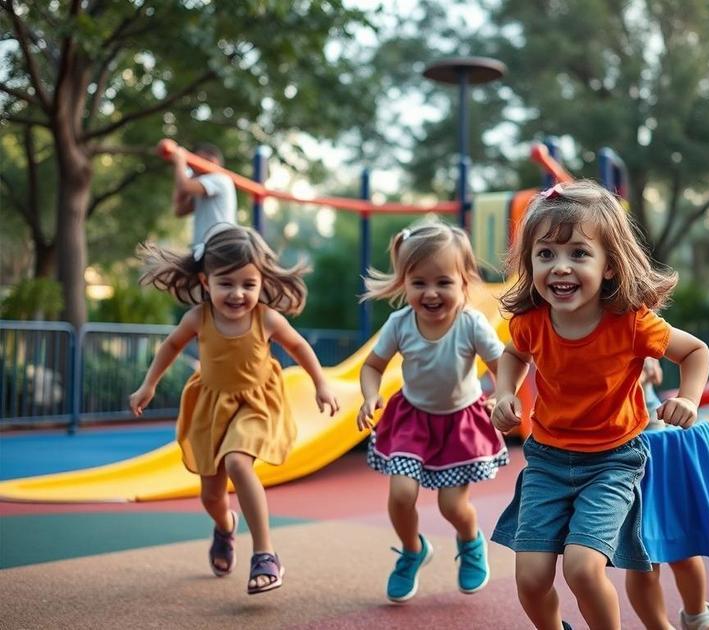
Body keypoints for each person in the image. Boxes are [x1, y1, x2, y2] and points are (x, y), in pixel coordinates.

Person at [490, 180, 709, 630]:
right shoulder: (532, 323)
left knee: (582, 568)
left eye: (578, 253)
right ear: (529, 262)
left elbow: (695, 351)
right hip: (547, 461)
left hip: (613, 462)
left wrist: (688, 397)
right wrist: (505, 391)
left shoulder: (631, 324)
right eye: (545, 254)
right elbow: (512, 355)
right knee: (530, 577)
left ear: (610, 266)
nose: (560, 267)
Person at [128, 224, 339, 595]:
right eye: (227, 283)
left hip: (257, 402)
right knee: (210, 496)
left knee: (239, 463)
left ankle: (265, 554)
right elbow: (171, 346)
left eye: (248, 283)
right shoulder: (198, 317)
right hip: (212, 405)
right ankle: (226, 526)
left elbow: (299, 347)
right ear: (206, 281)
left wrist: (321, 383)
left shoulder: (267, 318)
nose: (238, 293)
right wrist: (149, 384)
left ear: (261, 282)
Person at [356, 218, 508, 603]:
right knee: (402, 494)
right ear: (404, 282)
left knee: (452, 505)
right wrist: (370, 396)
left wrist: (501, 395)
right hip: (413, 419)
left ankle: (470, 541)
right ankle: (412, 549)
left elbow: (504, 363)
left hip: (460, 422)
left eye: (443, 282)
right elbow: (372, 365)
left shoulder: (471, 324)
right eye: (419, 282)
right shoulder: (399, 324)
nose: (431, 292)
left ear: (464, 283)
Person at [624, 359, 709, 630]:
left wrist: (647, 364)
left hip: (659, 454)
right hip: (624, 463)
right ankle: (659, 626)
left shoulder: (637, 331)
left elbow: (665, 363)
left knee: (685, 551)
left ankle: (697, 614)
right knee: (642, 560)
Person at [171, 142, 237, 248]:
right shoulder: (201, 190)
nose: (193, 168)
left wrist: (180, 162)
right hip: (206, 247)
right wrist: (189, 174)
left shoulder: (220, 178)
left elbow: (184, 187)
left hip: (221, 246)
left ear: (212, 161)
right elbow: (179, 210)